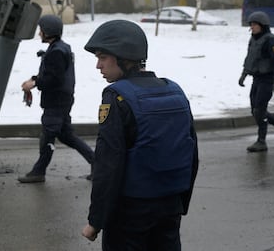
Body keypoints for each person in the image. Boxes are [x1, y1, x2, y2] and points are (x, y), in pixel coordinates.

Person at [81, 20, 199, 250]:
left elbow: (108, 164)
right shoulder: (174, 91)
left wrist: (96, 221)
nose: (98, 66)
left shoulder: (117, 97)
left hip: (130, 211)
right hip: (170, 205)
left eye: (103, 57)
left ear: (122, 57)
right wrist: (181, 203)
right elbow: (192, 151)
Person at [18, 14, 95, 183]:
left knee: (48, 136)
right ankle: (97, 164)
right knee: (67, 136)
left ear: (48, 32)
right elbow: (52, 73)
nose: (39, 34)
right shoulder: (59, 48)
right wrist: (34, 79)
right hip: (62, 100)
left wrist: (35, 83)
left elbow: (54, 79)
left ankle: (38, 172)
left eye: (41, 30)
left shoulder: (57, 52)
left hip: (56, 102)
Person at [238, 11, 274, 153]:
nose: (252, 27)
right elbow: (249, 58)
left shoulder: (271, 40)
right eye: (251, 25)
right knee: (255, 110)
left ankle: (261, 141)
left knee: (259, 110)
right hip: (257, 78)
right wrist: (244, 74)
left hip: (267, 79)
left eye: (255, 24)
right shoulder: (253, 39)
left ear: (263, 25)